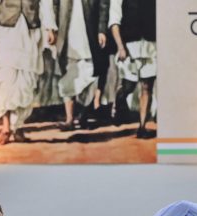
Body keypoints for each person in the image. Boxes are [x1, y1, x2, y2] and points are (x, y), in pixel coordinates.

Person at [0, 0, 57, 145]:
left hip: (30, 33)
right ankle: (5, 128)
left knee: (26, 83)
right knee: (5, 81)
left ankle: (18, 126)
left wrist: (50, 28)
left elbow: (46, 3)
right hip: (5, 33)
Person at [54, 0, 110, 131]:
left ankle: (83, 114)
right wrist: (53, 28)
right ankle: (69, 119)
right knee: (68, 77)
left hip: (89, 33)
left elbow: (104, 5)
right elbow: (55, 5)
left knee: (90, 74)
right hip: (67, 33)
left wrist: (102, 30)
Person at [108, 0, 155, 138]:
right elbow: (114, 22)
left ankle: (142, 127)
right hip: (129, 46)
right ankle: (119, 99)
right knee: (128, 86)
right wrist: (120, 47)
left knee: (147, 86)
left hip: (151, 44)